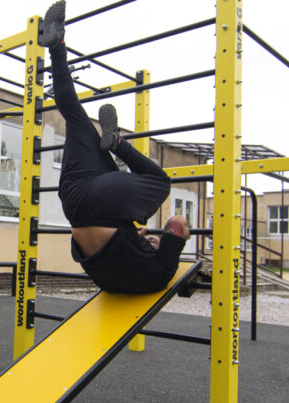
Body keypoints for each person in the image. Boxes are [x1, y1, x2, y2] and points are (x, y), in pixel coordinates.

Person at [40, 0, 191, 294]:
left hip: (104, 203)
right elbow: (116, 254)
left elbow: (177, 223)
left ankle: (118, 143)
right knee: (74, 115)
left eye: (152, 242)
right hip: (75, 203)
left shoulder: (161, 274)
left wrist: (171, 239)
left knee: (160, 181)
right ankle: (56, 45)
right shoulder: (111, 282)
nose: (151, 240)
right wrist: (136, 233)